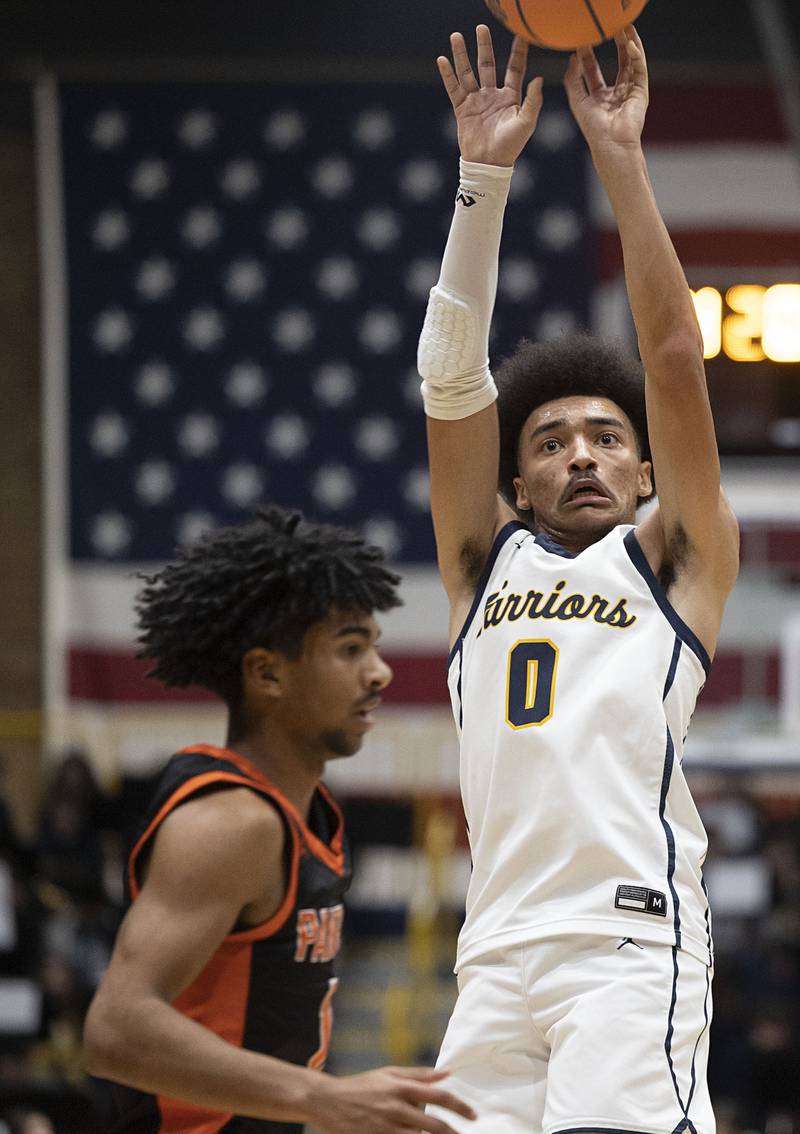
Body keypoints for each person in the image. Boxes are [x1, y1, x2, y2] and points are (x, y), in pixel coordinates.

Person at [418, 23, 739, 1134]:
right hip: (494, 952)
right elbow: (449, 376)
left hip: (626, 942)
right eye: (549, 441)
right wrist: (482, 178)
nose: (581, 454)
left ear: (647, 470)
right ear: (512, 485)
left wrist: (618, 156)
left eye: (606, 438)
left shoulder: (673, 560)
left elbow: (669, 359)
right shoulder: (480, 564)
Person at [83, 505, 476, 1134]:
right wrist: (323, 1097)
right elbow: (116, 1028)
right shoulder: (233, 821)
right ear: (267, 672)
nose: (381, 672)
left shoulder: (307, 815)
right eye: (351, 649)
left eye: (374, 647)